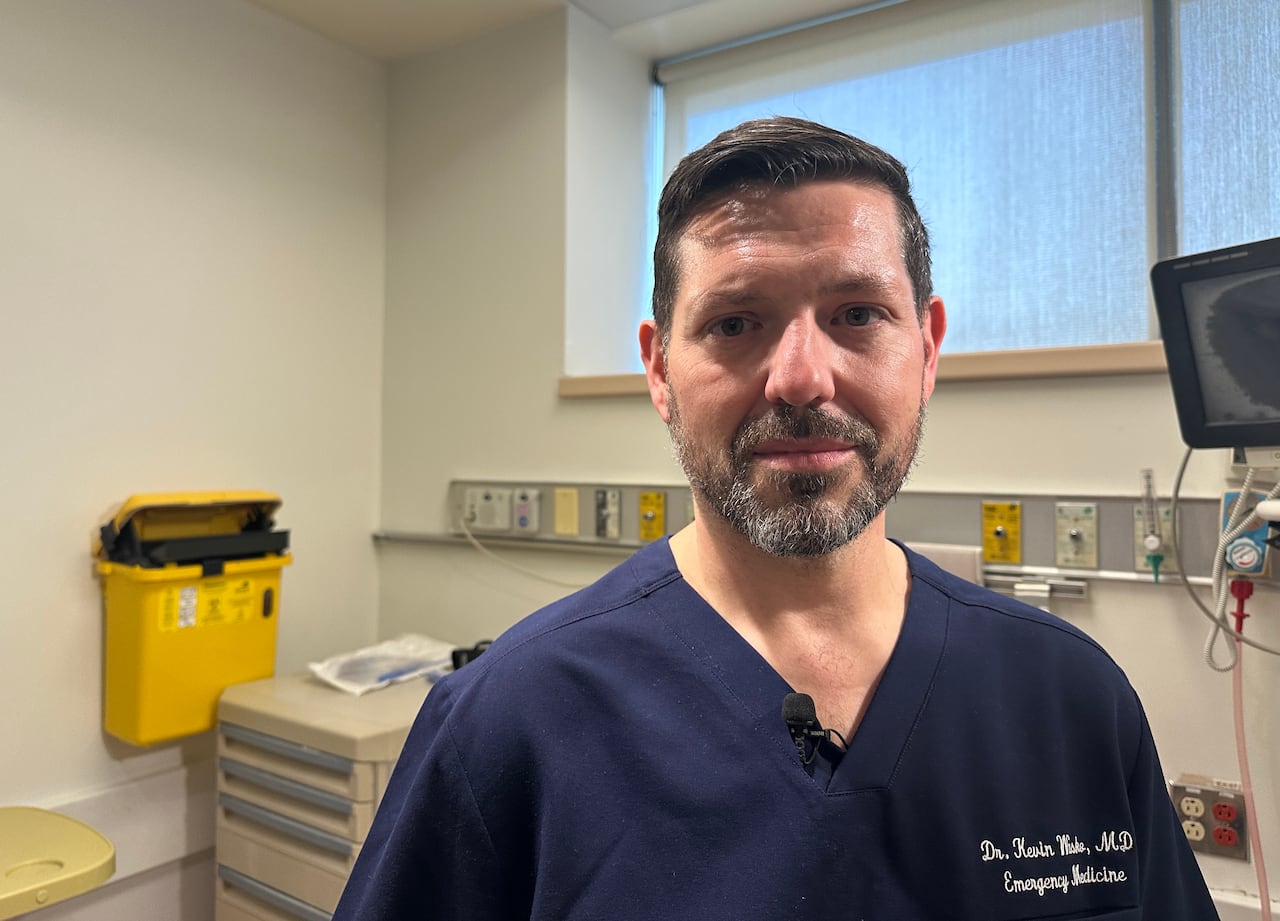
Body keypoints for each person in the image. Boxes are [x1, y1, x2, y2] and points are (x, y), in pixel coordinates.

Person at [333, 117, 1218, 919]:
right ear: (658, 367)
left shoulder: (1071, 699)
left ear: (928, 346)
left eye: (858, 314)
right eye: (735, 322)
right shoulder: (507, 725)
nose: (801, 377)